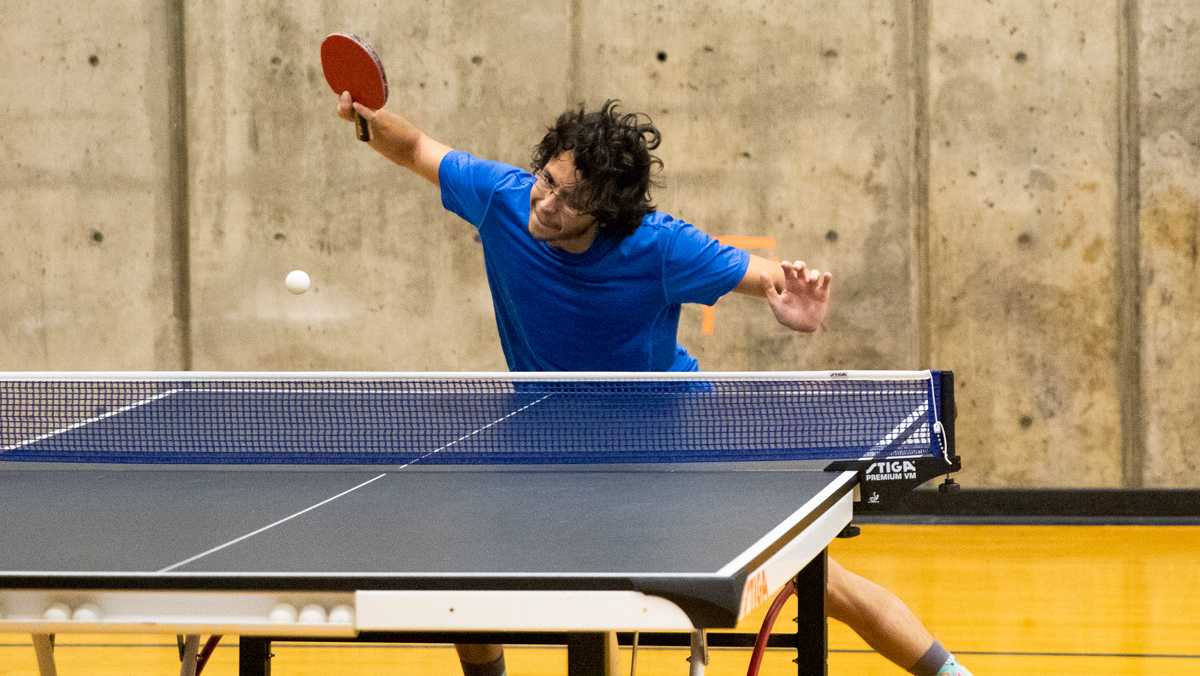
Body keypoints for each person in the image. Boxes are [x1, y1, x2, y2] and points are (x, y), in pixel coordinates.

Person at [335, 93, 971, 676]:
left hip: (669, 438)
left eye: (570, 202)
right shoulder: (501, 197)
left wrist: (796, 303)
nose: (547, 206)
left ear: (606, 214)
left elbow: (770, 277)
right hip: (548, 438)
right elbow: (416, 147)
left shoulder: (659, 248)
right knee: (468, 584)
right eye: (547, 182)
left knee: (819, 579)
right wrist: (366, 117)